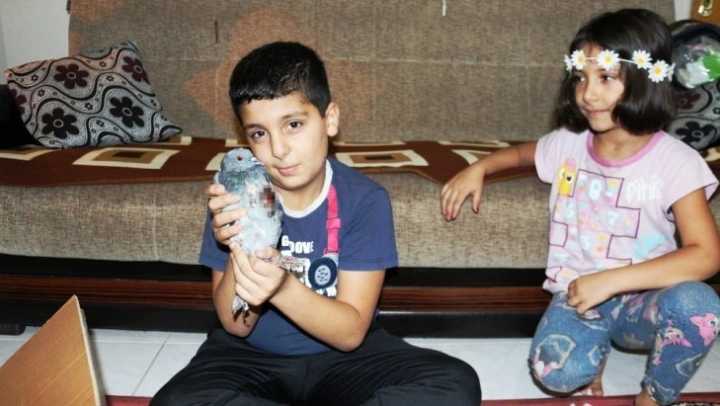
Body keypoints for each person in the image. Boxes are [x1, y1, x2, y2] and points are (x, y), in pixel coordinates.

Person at [151, 41, 481, 406]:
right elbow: (236, 325)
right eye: (259, 133)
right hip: (248, 357)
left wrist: (280, 287)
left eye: (293, 124)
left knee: (454, 384)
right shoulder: (233, 201)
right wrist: (239, 244)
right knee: (176, 402)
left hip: (348, 359)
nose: (279, 149)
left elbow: (350, 335)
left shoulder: (365, 200)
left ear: (330, 119)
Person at [440, 8, 720, 406]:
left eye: (606, 77)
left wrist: (611, 280)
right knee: (554, 372)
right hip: (578, 298)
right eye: (580, 77)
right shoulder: (568, 143)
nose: (588, 93)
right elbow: (522, 153)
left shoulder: (676, 162)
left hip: (643, 303)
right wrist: (480, 168)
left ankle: (655, 395)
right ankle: (595, 353)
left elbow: (706, 255)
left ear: (647, 79)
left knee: (699, 305)